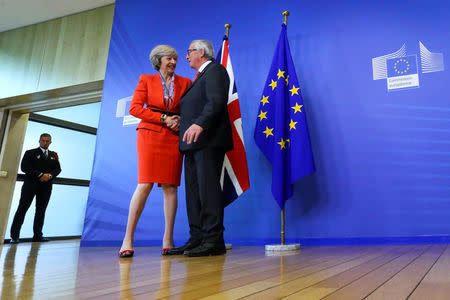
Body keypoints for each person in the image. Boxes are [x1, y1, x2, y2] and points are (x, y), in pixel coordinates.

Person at [119, 45, 191, 257]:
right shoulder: (146, 80)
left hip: (173, 136)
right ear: (158, 60)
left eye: (175, 59)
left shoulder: (185, 83)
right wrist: (162, 118)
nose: (174, 63)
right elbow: (135, 108)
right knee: (145, 184)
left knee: (171, 187)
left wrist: (180, 120)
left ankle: (168, 240)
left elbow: (191, 108)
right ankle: (127, 240)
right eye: (169, 58)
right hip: (150, 135)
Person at [167, 40, 233, 257]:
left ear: (201, 53)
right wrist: (182, 120)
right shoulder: (199, 78)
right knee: (193, 195)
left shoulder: (215, 70)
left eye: (188, 52)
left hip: (209, 141)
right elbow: (197, 106)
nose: (185, 57)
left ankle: (213, 240)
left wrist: (199, 123)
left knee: (208, 192)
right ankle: (197, 239)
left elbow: (216, 102)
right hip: (192, 144)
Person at [10, 133, 61, 243]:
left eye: (47, 141)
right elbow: (24, 167)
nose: (45, 142)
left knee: (41, 211)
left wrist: (50, 176)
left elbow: (58, 169)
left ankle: (37, 236)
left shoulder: (54, 155)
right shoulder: (30, 153)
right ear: (39, 141)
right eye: (43, 140)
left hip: (46, 187)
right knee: (22, 209)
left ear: (50, 142)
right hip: (30, 185)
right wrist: (40, 175)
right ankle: (14, 236)